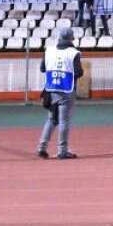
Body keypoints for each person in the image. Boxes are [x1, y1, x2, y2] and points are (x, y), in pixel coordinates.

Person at [36, 27, 84, 159]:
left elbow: (42, 68)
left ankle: (42, 147)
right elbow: (79, 72)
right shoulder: (74, 53)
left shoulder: (49, 50)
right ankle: (62, 150)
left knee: (51, 119)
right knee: (64, 121)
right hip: (66, 90)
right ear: (71, 38)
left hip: (51, 89)